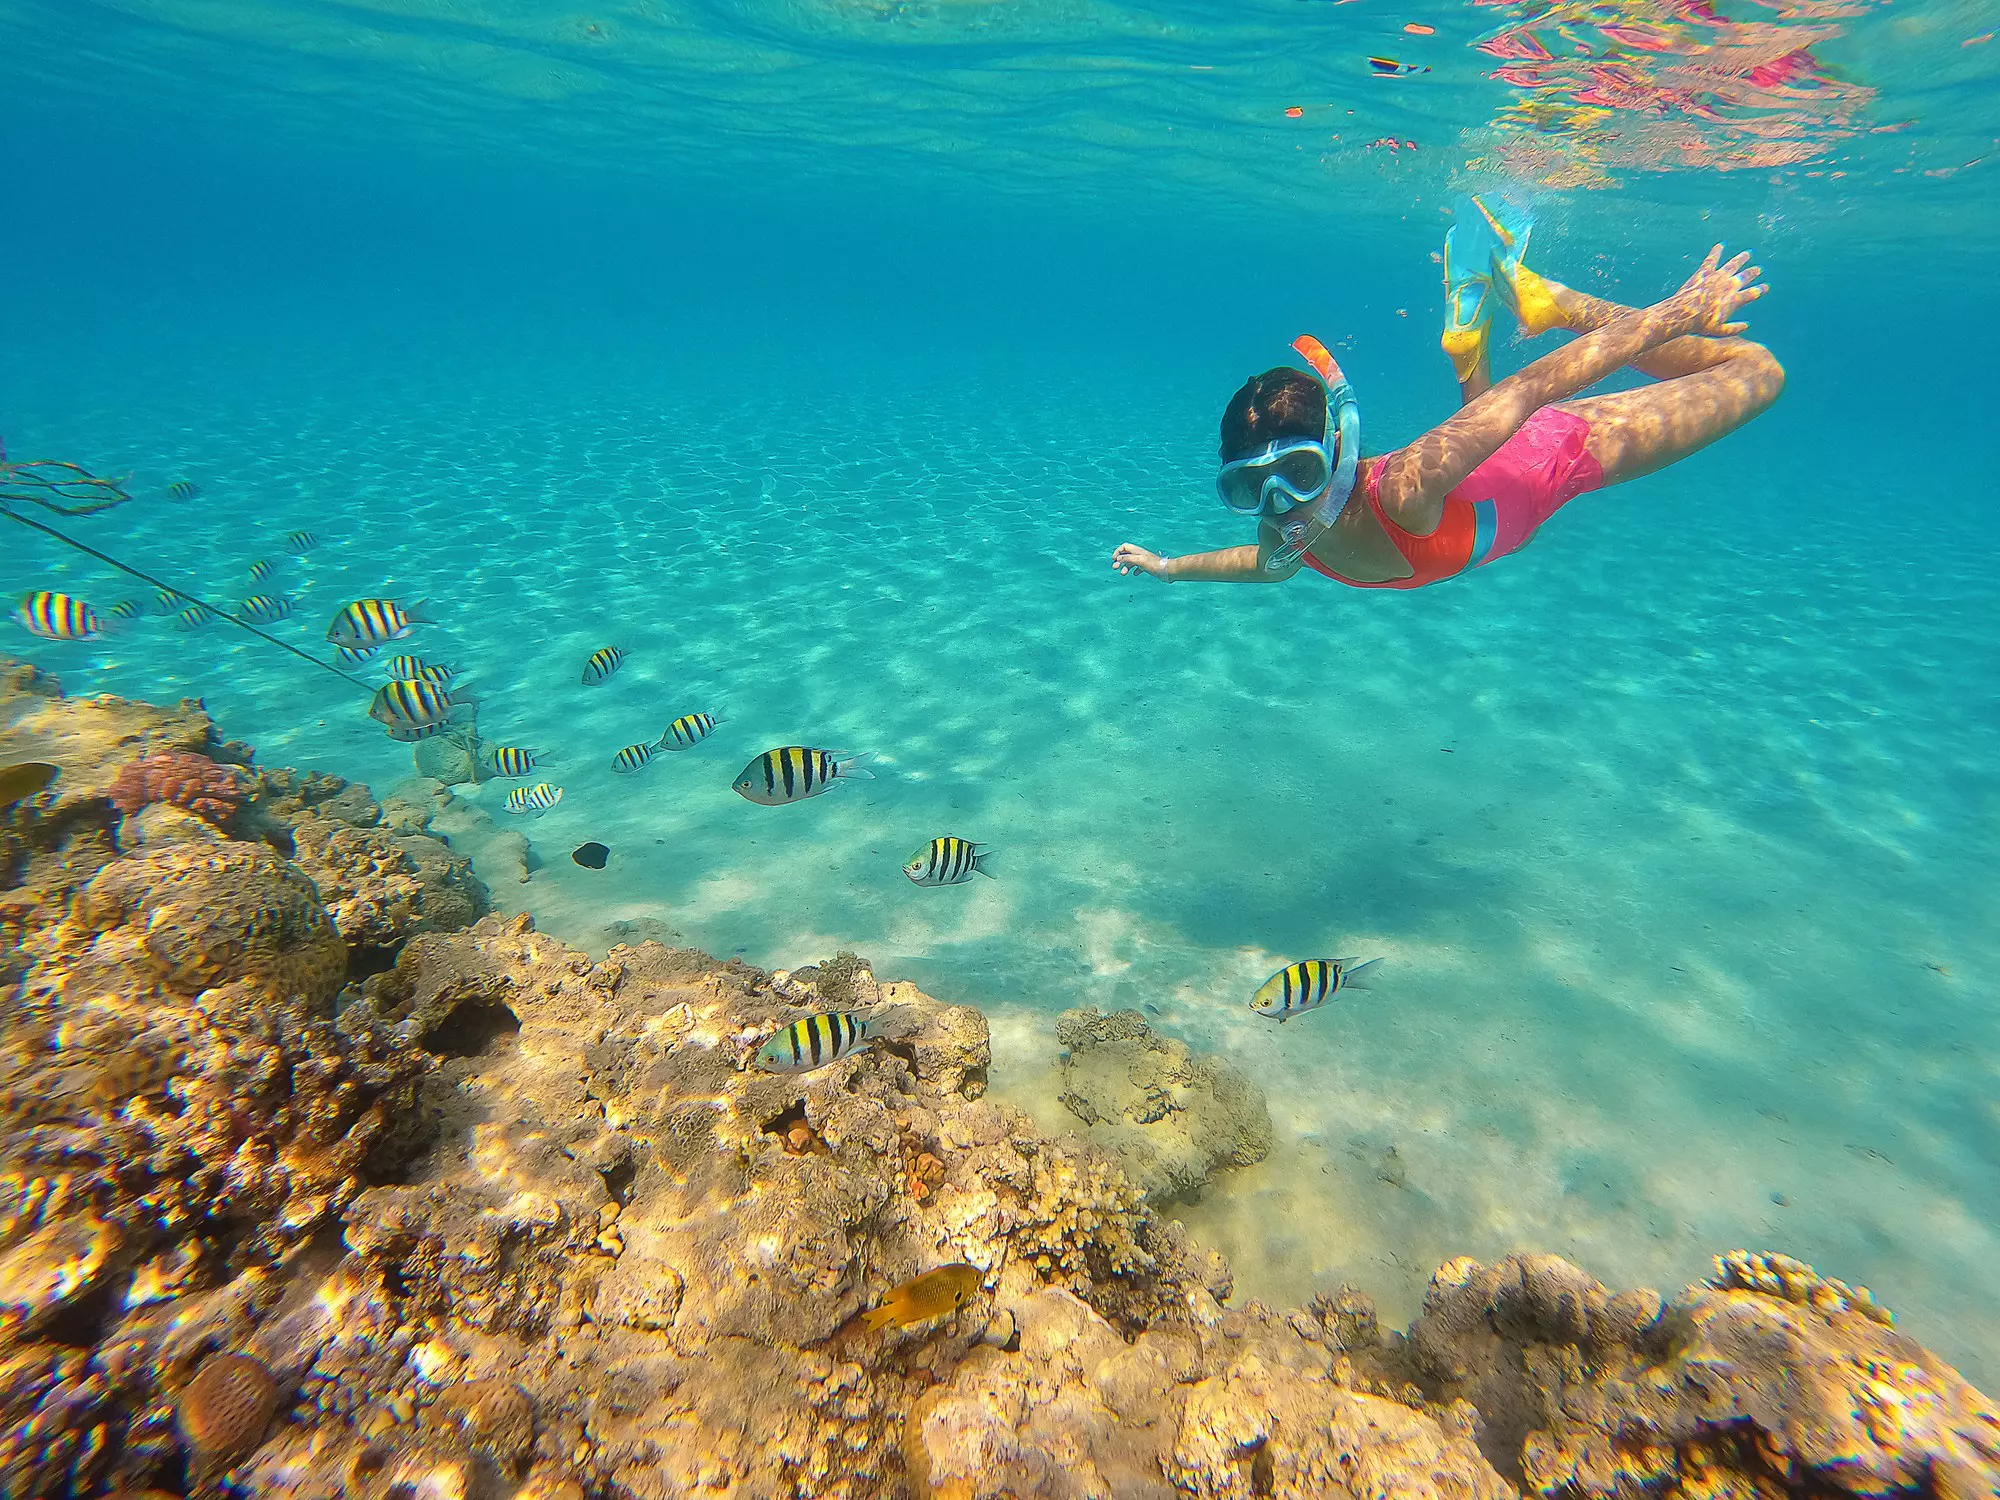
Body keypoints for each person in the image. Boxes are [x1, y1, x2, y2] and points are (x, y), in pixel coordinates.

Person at [1111, 200, 1782, 590]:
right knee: (1477, 450)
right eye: (1249, 488)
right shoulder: (1284, 532)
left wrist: (1679, 311)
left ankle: (1558, 304)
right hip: (1491, 483)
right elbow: (1256, 566)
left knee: (1758, 370)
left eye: (1299, 473)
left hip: (1568, 452)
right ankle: (1474, 348)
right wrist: (1168, 566)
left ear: (1337, 448)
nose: (1280, 503)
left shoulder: (1403, 487)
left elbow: (1537, 387)